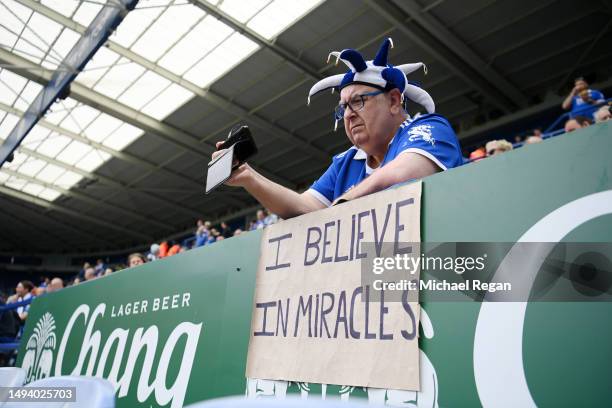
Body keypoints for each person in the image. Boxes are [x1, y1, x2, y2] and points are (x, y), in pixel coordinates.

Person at [212, 38, 462, 218]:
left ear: (395, 101)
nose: (349, 115)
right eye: (343, 107)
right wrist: (249, 177)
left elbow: (403, 172)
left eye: (358, 101)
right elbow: (302, 206)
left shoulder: (428, 127)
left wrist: (340, 207)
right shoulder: (345, 161)